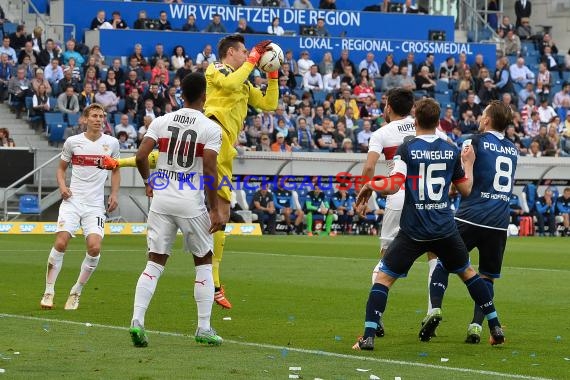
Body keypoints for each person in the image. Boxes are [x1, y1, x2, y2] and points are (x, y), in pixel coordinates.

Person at [352, 98, 505, 351]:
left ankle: (368, 336)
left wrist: (371, 185)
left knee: (383, 280)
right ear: (438, 121)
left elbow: (394, 184)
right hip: (444, 228)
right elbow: (465, 189)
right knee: (469, 274)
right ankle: (495, 325)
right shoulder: (450, 149)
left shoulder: (407, 147)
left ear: (416, 119)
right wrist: (467, 163)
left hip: (414, 229)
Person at [128, 72, 223, 348]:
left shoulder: (161, 121)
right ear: (204, 96)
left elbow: (140, 157)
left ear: (181, 94)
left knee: (154, 262)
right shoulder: (210, 128)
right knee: (204, 261)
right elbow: (208, 169)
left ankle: (137, 321)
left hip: (161, 201)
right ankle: (203, 327)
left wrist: (149, 182)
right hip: (189, 204)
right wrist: (215, 209)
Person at [425, 100, 517, 344]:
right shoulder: (513, 148)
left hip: (471, 215)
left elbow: (466, 181)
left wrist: (463, 164)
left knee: (442, 259)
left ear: (487, 120)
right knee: (487, 276)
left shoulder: (473, 140)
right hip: (499, 221)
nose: (480, 116)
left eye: (483, 113)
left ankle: (434, 308)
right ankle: (476, 325)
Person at [361, 88, 449, 337]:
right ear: (412, 108)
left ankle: (375, 318)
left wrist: (364, 194)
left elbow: (369, 166)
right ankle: (433, 309)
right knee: (434, 254)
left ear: (388, 107)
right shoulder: (425, 126)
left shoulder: (381, 133)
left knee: (386, 257)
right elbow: (450, 150)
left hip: (397, 197)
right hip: (426, 199)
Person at [204, 34, 278, 308]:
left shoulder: (244, 83)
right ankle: (212, 282)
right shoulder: (216, 69)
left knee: (221, 215)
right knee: (216, 214)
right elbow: (230, 82)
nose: (249, 55)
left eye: (250, 53)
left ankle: (210, 279)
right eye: (244, 52)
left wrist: (273, 76)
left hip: (224, 147)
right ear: (231, 53)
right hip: (212, 137)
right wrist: (253, 60)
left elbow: (269, 104)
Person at [40, 103, 120, 311]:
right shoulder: (73, 142)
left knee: (94, 247)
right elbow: (61, 169)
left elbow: (116, 171)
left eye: (101, 116)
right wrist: (63, 187)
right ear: (85, 119)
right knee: (61, 242)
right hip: (72, 201)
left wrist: (113, 194)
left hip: (95, 205)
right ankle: (49, 290)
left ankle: (76, 291)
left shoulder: (111, 143)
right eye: (94, 116)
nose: (98, 119)